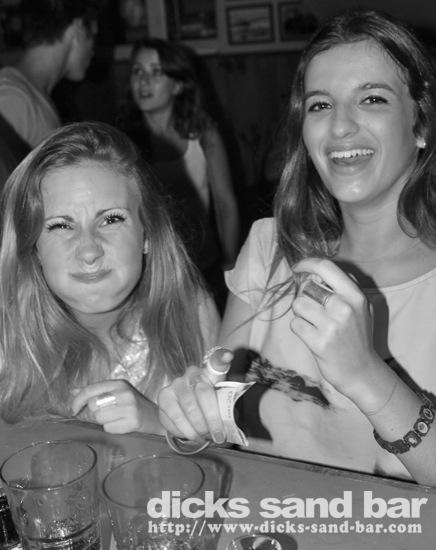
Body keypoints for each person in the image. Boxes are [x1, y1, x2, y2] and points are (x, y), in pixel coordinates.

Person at [158, 9, 436, 485]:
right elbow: (218, 421)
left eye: (372, 98)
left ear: (421, 124)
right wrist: (188, 419)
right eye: (320, 105)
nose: (340, 126)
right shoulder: (269, 249)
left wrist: (366, 375)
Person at [0, 121, 219, 434]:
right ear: (33, 247)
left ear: (147, 234)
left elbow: (220, 454)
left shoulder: (190, 314)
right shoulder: (8, 336)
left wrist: (160, 427)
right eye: (61, 225)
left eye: (111, 219)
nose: (89, 251)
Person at [117, 38, 240, 311]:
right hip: (147, 272)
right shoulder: (122, 141)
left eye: (156, 72)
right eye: (137, 71)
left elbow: (225, 204)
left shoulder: (203, 133)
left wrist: (230, 264)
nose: (143, 81)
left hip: (202, 263)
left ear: (178, 85)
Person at [0, 0, 100, 148]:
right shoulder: (13, 98)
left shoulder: (29, 96)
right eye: (93, 36)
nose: (93, 51)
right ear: (78, 27)